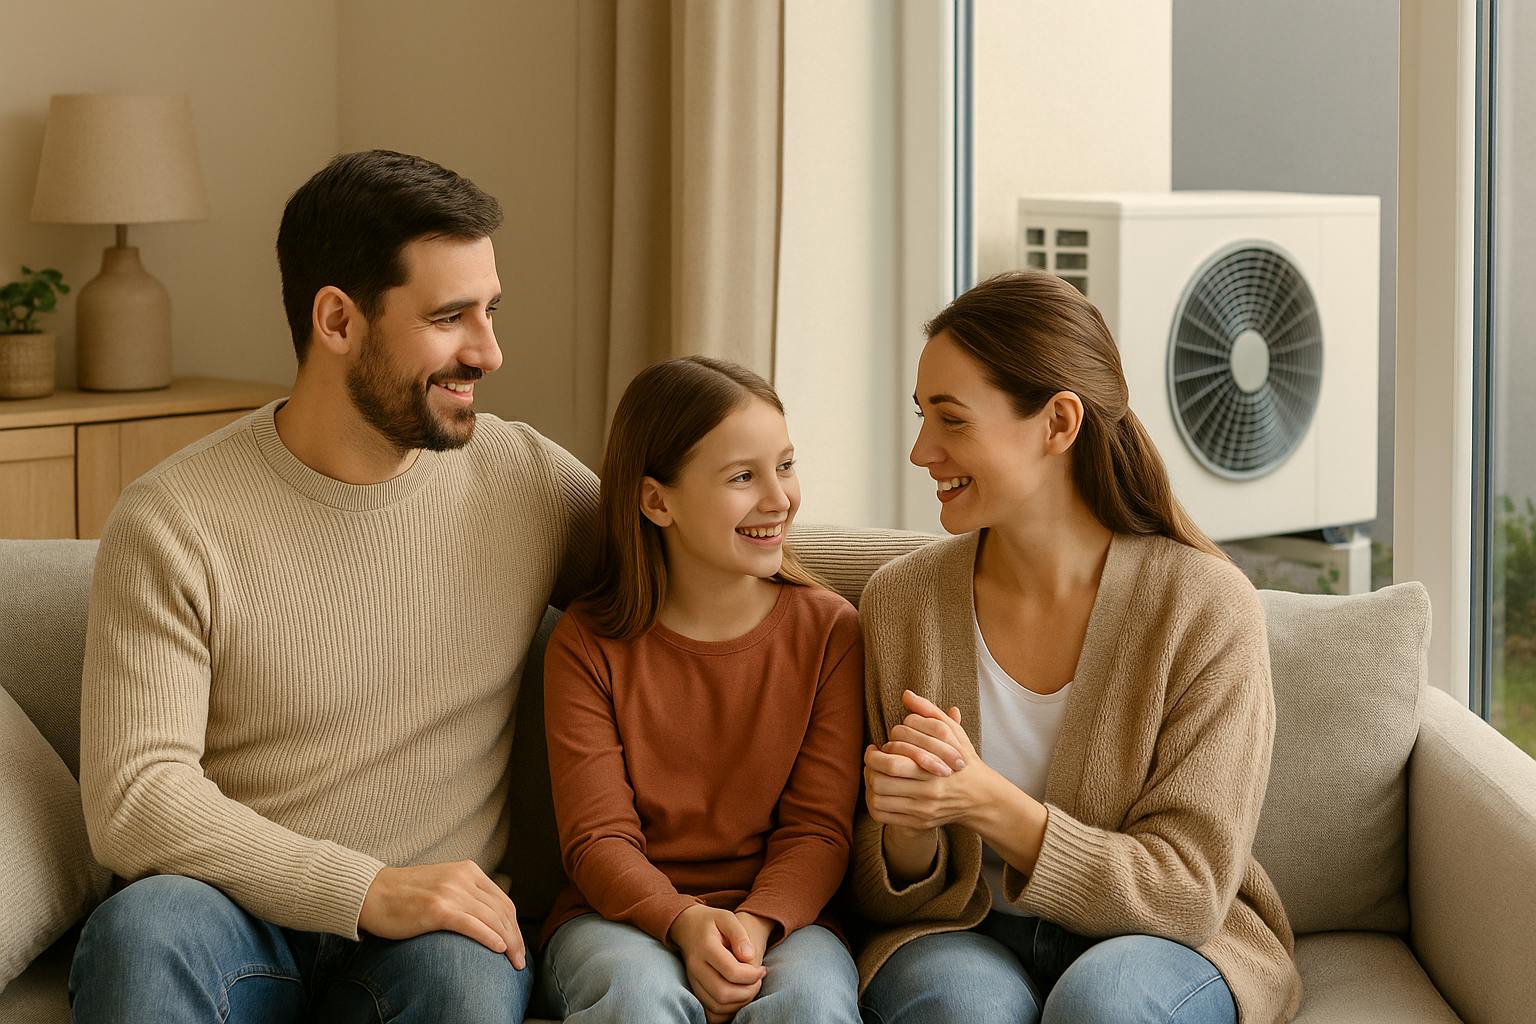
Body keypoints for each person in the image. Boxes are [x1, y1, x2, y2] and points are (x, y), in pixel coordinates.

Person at [66, 149, 916, 1024]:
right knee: (146, 926)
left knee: (468, 980)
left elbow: (698, 535)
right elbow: (138, 800)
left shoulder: (519, 481)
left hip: (440, 936)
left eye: (490, 310)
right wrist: (366, 888)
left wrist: (945, 572)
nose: (490, 351)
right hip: (230, 914)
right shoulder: (173, 520)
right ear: (336, 319)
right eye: (449, 317)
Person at [853, 270, 1302, 1024]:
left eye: (952, 420)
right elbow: (878, 893)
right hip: (964, 933)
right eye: (921, 416)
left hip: (1165, 946)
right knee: (963, 1012)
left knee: (1106, 1005)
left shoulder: (1206, 609)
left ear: (1059, 424)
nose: (920, 450)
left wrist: (987, 802)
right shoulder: (902, 603)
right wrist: (908, 831)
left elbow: (1187, 893)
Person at [537, 356, 864, 1024]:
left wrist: (755, 926)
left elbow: (818, 831)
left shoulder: (831, 632)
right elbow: (597, 839)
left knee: (808, 1005)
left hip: (785, 922)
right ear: (658, 501)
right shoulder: (586, 644)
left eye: (786, 465)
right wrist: (682, 922)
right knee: (635, 999)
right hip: (617, 920)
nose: (779, 498)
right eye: (743, 477)